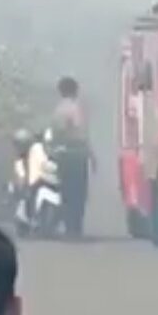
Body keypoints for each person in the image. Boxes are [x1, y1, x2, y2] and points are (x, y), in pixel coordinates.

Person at [51, 76, 96, 239]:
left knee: (66, 191)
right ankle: (75, 228)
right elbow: (81, 134)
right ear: (75, 90)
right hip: (77, 154)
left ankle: (69, 227)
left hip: (62, 155)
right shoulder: (75, 108)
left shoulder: (57, 109)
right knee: (78, 193)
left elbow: (56, 133)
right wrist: (92, 156)